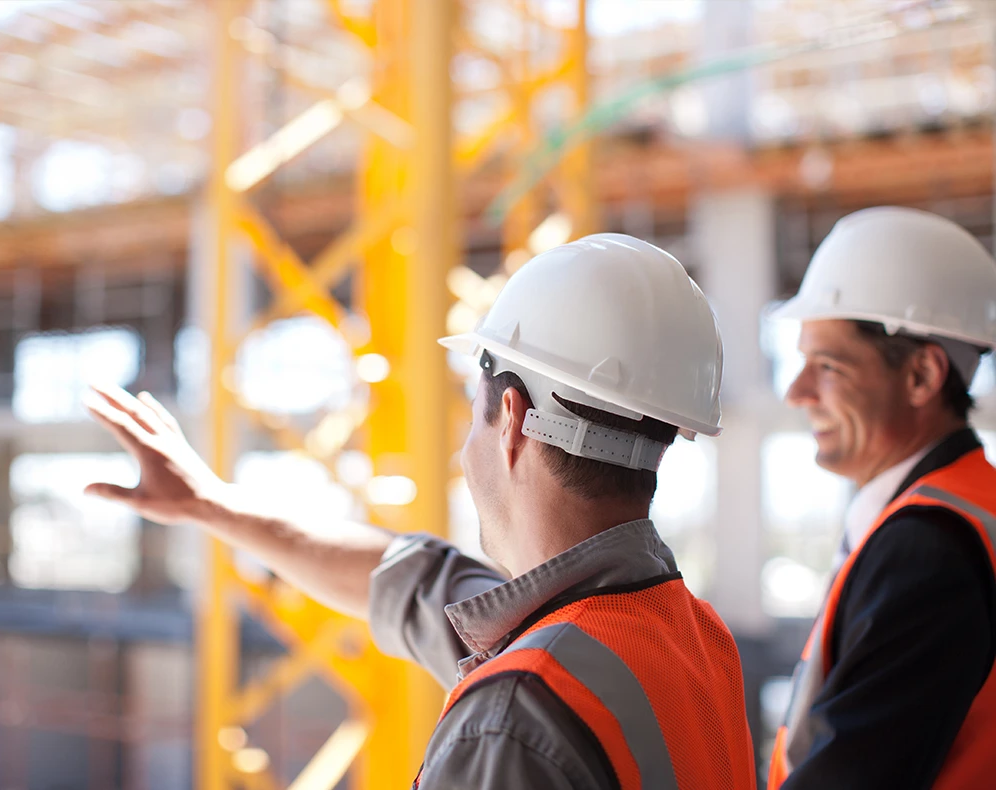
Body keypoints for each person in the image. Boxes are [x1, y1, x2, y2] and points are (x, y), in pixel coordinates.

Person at [85, 234, 756, 789]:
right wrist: (214, 505)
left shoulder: (515, 714)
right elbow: (414, 581)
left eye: (474, 416)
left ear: (512, 421)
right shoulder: (687, 635)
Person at [767, 207, 996, 789]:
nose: (796, 392)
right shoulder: (963, 510)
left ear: (921, 376)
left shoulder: (928, 549)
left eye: (827, 366)